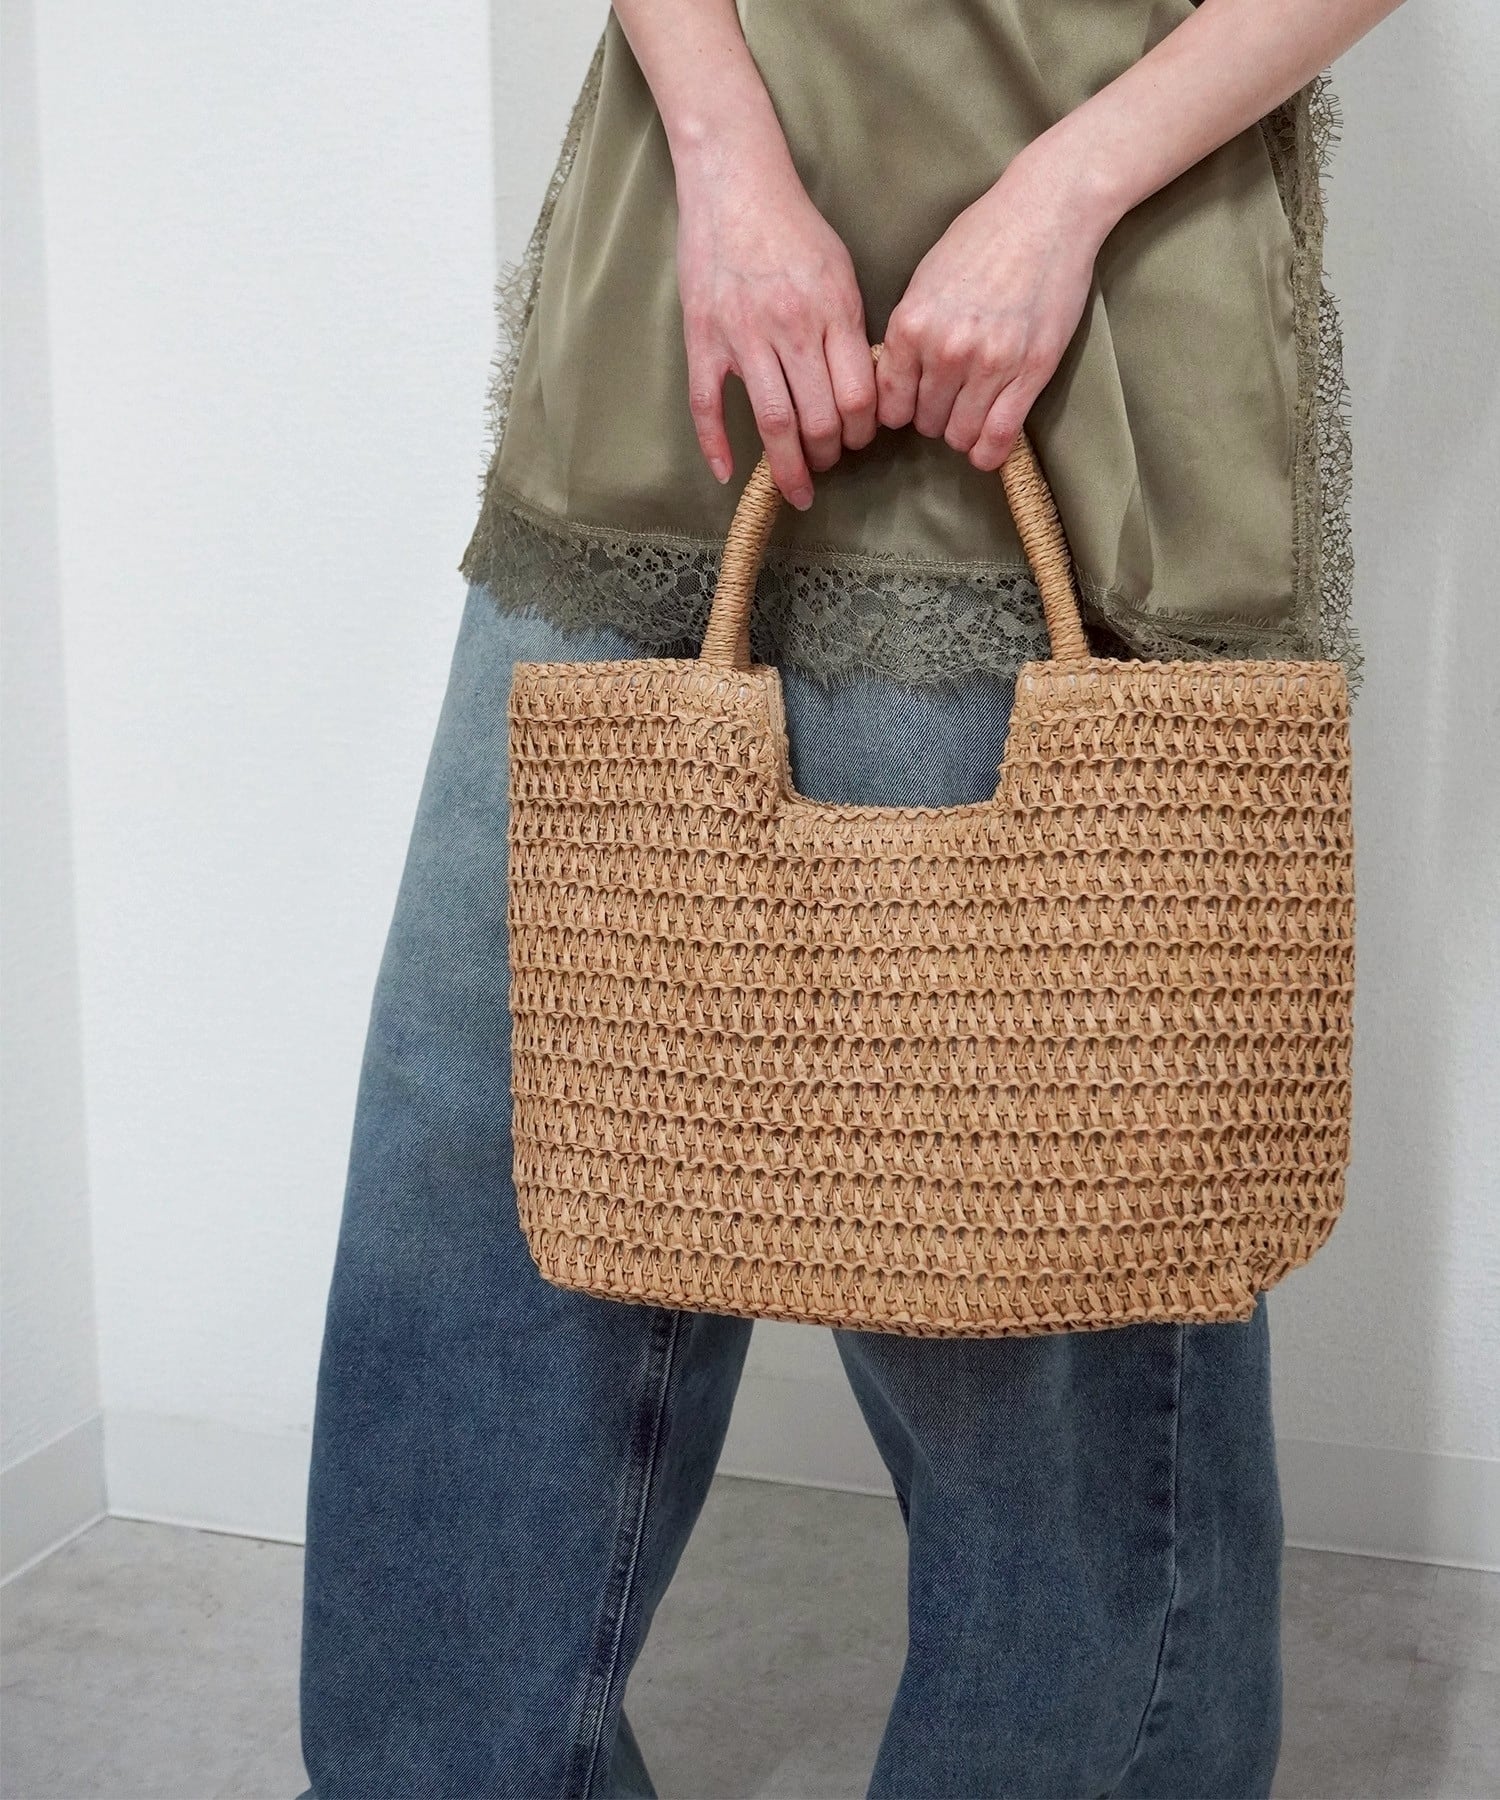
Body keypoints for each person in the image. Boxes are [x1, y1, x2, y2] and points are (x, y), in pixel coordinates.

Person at [298, 2, 1401, 1794]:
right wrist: (725, 148)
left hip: (1079, 305)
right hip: (684, 286)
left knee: (1032, 1287)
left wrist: (1064, 194)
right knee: (480, 1190)